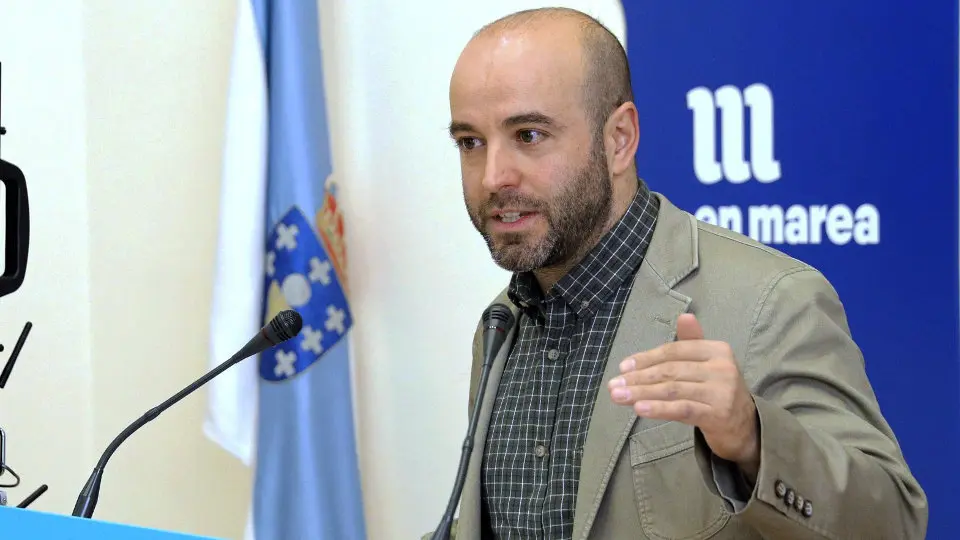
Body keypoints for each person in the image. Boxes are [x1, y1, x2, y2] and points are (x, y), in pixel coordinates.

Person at [430, 6, 928, 540]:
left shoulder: (772, 301)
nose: (493, 177)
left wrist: (754, 440)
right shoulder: (501, 324)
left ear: (619, 139)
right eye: (471, 143)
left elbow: (894, 524)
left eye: (528, 135)